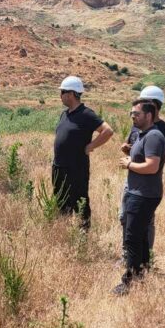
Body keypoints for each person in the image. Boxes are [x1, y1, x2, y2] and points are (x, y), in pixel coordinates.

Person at [118, 86, 165, 265]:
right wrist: (128, 150)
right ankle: (131, 257)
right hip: (133, 180)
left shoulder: (161, 131)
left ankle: (142, 260)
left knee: (144, 224)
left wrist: (148, 158)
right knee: (125, 218)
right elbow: (133, 146)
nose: (133, 116)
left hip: (146, 184)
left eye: (138, 111)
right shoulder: (138, 127)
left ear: (153, 107)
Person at [114, 99, 165, 295]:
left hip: (144, 194)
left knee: (132, 237)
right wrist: (131, 157)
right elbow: (144, 159)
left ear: (149, 115)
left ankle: (129, 281)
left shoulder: (153, 136)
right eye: (132, 113)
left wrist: (129, 164)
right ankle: (141, 274)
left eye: (136, 114)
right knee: (141, 235)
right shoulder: (142, 134)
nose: (133, 117)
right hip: (137, 192)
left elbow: (152, 166)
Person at [52, 76, 114, 230]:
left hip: (76, 168)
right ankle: (64, 231)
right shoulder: (64, 114)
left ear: (71, 94)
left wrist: (90, 146)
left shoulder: (86, 114)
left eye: (62, 92)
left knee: (80, 202)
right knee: (61, 201)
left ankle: (83, 234)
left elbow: (107, 131)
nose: (60, 95)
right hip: (59, 167)